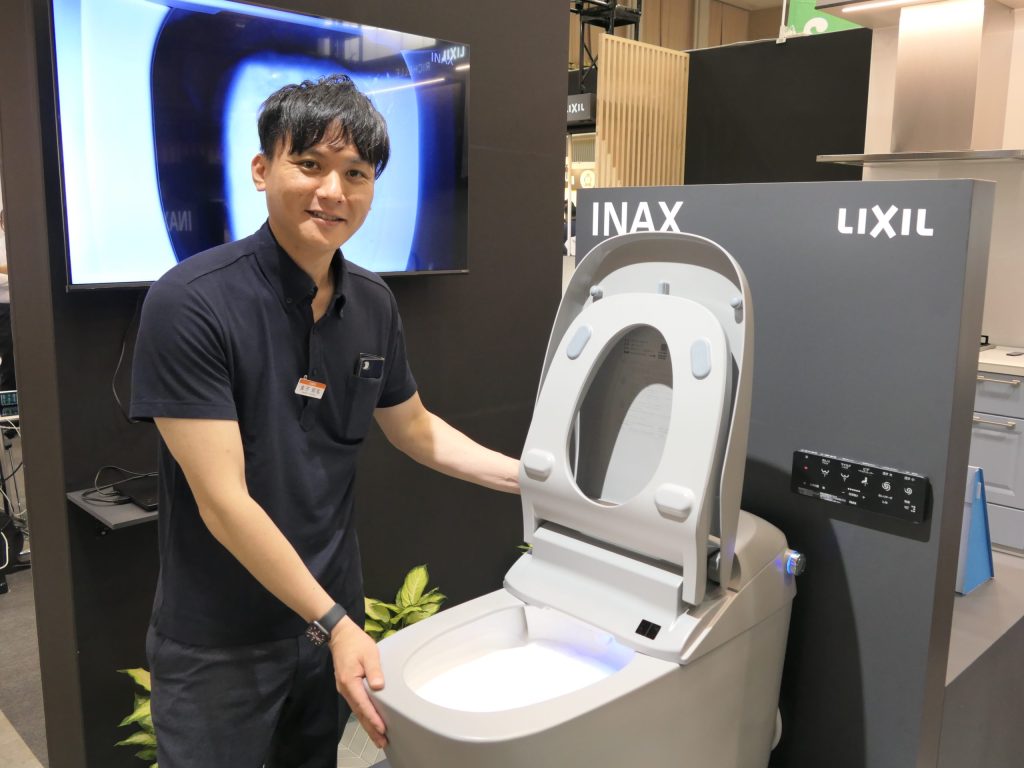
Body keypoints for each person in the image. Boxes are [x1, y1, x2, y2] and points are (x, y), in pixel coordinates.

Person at [130, 74, 520, 768]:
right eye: (309, 164)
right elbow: (223, 503)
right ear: (262, 169)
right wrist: (336, 623)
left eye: (356, 173)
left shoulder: (372, 303)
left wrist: (535, 481)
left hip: (325, 630)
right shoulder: (189, 303)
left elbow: (417, 430)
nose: (333, 191)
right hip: (221, 642)